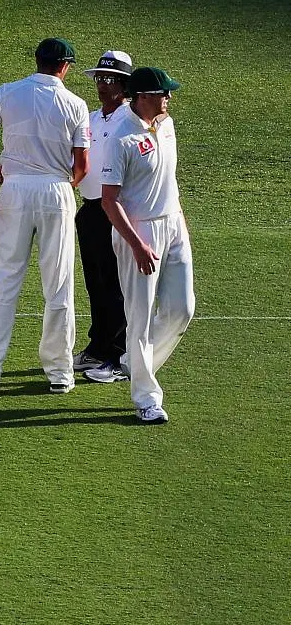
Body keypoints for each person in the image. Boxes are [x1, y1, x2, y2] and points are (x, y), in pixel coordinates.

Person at [0, 38, 92, 393]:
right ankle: (60, 372)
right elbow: (82, 165)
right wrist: (66, 184)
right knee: (59, 283)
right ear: (65, 66)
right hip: (56, 193)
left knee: (4, 278)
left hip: (14, 189)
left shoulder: (8, 91)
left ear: (37, 61)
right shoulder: (76, 104)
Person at [99, 67, 193, 425]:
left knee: (182, 308)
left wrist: (178, 223)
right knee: (139, 317)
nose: (168, 98)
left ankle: (135, 364)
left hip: (173, 224)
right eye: (162, 93)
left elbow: (167, 180)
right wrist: (137, 245)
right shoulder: (121, 138)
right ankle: (146, 397)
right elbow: (109, 200)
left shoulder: (165, 124)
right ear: (141, 97)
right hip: (138, 234)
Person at [76, 50, 136, 382]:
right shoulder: (91, 117)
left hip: (117, 208)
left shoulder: (131, 120)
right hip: (89, 209)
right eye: (99, 78)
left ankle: (118, 356)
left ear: (125, 84)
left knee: (115, 285)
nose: (101, 84)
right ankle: (98, 347)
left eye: (109, 78)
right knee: (95, 283)